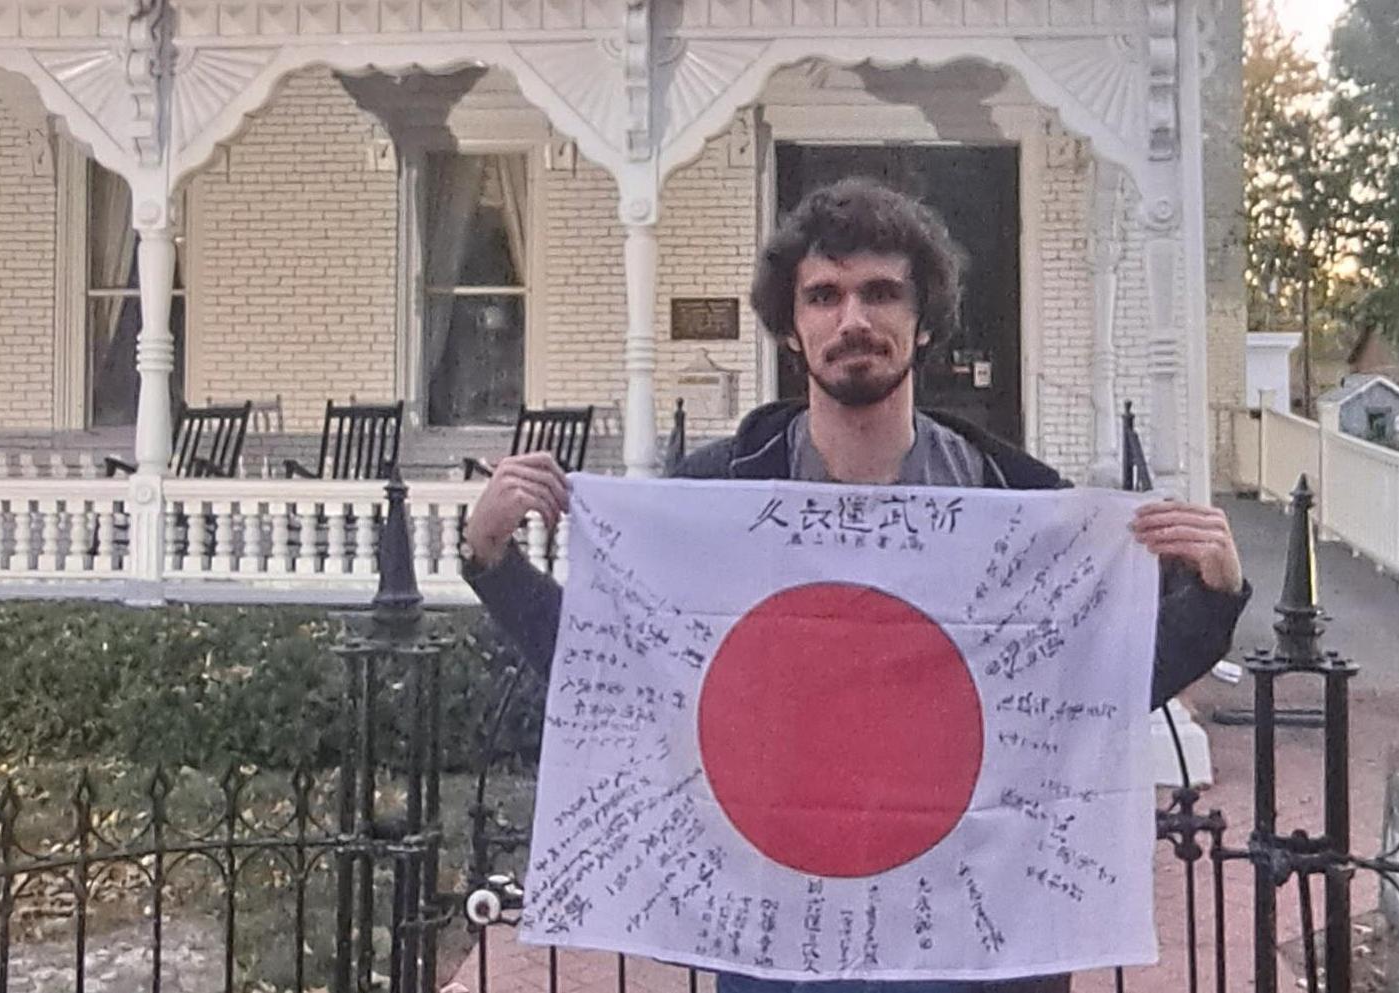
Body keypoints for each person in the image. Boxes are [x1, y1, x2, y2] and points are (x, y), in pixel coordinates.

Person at [460, 177, 1251, 993]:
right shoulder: (718, 496)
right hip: (785, 945)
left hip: (971, 951)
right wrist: (495, 563)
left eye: (881, 293)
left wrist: (1213, 600)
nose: (853, 320)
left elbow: (1089, 698)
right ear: (790, 327)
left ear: (924, 319)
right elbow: (624, 678)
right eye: (823, 296)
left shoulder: (1015, 503)